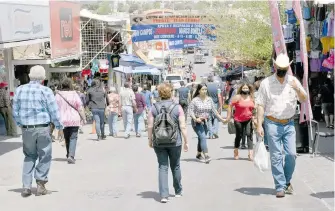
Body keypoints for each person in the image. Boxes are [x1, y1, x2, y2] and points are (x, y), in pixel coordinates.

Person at [256, 53, 307, 198]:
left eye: (285, 67)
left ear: (288, 67)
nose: (282, 70)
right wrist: (259, 125)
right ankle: (280, 186)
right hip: (272, 123)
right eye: (280, 67)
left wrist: (297, 89)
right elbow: (260, 105)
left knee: (291, 154)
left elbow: (304, 99)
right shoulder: (266, 83)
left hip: (289, 123)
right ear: (275, 66)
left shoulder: (293, 81)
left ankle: (286, 181)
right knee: (276, 156)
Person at [12, 65, 62, 197]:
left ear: (30, 76)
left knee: (29, 155)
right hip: (42, 128)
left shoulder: (20, 90)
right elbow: (53, 111)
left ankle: (26, 186)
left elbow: (15, 110)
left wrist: (20, 124)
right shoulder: (46, 91)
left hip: (27, 128)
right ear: (43, 78)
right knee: (45, 155)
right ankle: (40, 184)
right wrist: (58, 125)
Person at [147, 83, 188, 203]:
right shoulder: (177, 107)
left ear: (159, 93)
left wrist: (150, 140)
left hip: (159, 141)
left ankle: (164, 195)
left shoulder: (154, 108)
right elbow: (183, 126)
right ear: (171, 93)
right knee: (175, 165)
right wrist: (186, 141)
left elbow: (150, 126)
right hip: (175, 141)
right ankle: (178, 191)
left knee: (162, 166)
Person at [188, 83, 226, 163]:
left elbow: (214, 111)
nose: (204, 91)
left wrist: (222, 119)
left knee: (201, 138)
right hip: (197, 122)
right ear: (199, 90)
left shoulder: (209, 99)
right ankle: (206, 154)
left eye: (205, 89)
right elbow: (190, 111)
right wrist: (195, 118)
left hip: (206, 121)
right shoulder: (195, 100)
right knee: (203, 137)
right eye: (203, 89)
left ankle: (198, 154)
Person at [55, 78, 86, 164]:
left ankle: (68, 154)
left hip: (63, 120)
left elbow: (55, 108)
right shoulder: (74, 94)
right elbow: (80, 107)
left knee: (67, 137)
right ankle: (71, 156)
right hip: (74, 119)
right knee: (73, 137)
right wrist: (84, 118)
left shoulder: (58, 95)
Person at [225, 83, 255, 160]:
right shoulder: (237, 97)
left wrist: (255, 117)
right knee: (239, 135)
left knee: (249, 134)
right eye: (244, 88)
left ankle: (250, 154)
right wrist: (229, 116)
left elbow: (254, 108)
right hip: (238, 119)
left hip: (248, 119)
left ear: (249, 89)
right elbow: (230, 106)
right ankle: (236, 150)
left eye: (246, 88)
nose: (245, 90)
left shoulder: (251, 97)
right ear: (241, 89)